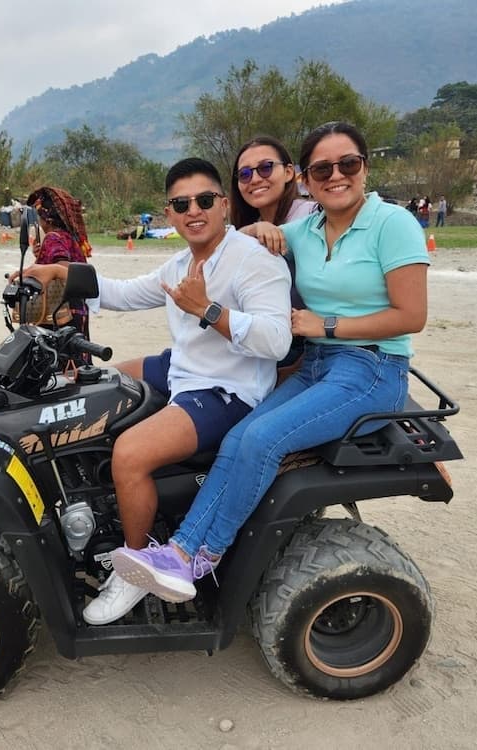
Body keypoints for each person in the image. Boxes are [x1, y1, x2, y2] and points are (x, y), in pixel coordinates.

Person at [111, 121, 430, 603]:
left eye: (348, 163)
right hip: (317, 364)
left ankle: (199, 554)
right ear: (305, 178)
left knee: (262, 438)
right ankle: (179, 552)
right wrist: (259, 227)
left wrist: (324, 325)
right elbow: (240, 242)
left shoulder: (392, 223)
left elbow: (411, 317)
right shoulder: (306, 229)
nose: (336, 175)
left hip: (372, 367)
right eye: (322, 169)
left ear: (365, 167)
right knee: (239, 436)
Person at [16, 158, 292, 624]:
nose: (194, 211)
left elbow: (277, 340)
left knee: (130, 454)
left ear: (224, 204)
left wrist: (208, 310)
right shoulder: (181, 263)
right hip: (183, 367)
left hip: (228, 388)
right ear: (169, 213)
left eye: (204, 200)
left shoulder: (254, 261)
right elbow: (123, 292)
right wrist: (59, 273)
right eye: (181, 204)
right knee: (94, 385)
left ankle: (136, 568)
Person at [229, 135, 319, 379]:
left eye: (266, 168)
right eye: (245, 174)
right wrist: (254, 229)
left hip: (305, 342)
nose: (255, 179)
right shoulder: (249, 226)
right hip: (268, 336)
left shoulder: (310, 215)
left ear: (289, 172)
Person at [24, 186, 93, 360]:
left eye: (39, 217)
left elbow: (63, 268)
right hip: (76, 309)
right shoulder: (68, 237)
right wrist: (41, 256)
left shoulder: (53, 238)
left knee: (59, 361)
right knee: (77, 358)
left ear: (47, 219)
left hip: (60, 313)